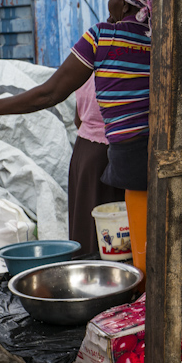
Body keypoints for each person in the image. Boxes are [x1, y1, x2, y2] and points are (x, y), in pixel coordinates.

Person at [0, 0, 182, 249]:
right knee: (154, 247)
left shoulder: (102, 37)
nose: (109, 5)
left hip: (127, 164)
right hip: (171, 167)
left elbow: (50, 93)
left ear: (126, 3)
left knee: (110, 246)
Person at [69, 77, 124, 259]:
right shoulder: (125, 65)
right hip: (110, 152)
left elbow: (78, 118)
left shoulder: (87, 64)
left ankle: (87, 276)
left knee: (87, 226)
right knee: (113, 232)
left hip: (84, 149)